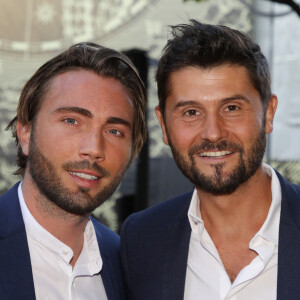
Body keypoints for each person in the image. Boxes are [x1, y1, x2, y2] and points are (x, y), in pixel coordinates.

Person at [120, 20, 300, 300]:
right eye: (191, 112)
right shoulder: (142, 240)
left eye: (231, 107)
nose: (213, 133)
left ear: (268, 114)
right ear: (164, 126)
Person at [0, 42, 146, 300]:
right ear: (25, 132)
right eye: (72, 121)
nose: (94, 148)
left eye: (115, 131)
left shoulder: (131, 267)